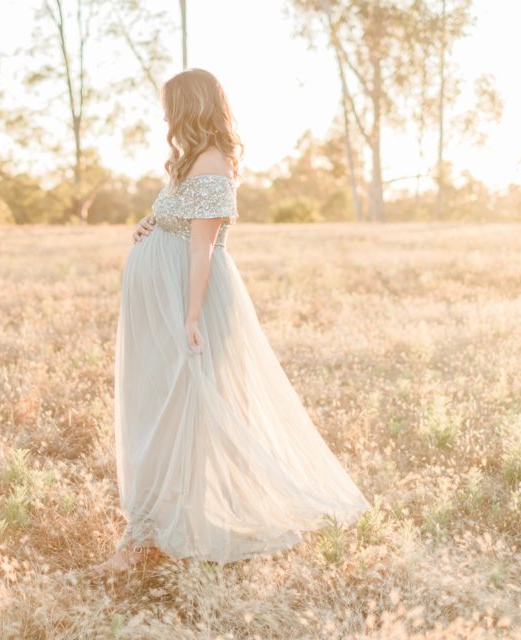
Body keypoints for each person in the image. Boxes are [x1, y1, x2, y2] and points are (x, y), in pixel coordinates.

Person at [91, 68, 371, 575]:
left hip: (188, 301)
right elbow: (179, 224)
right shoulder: (187, 161)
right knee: (160, 405)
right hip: (164, 299)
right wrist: (149, 223)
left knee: (182, 409)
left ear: (189, 107)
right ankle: (156, 526)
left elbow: (204, 248)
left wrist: (191, 316)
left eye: (170, 105)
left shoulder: (214, 164)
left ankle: (145, 535)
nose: (164, 115)